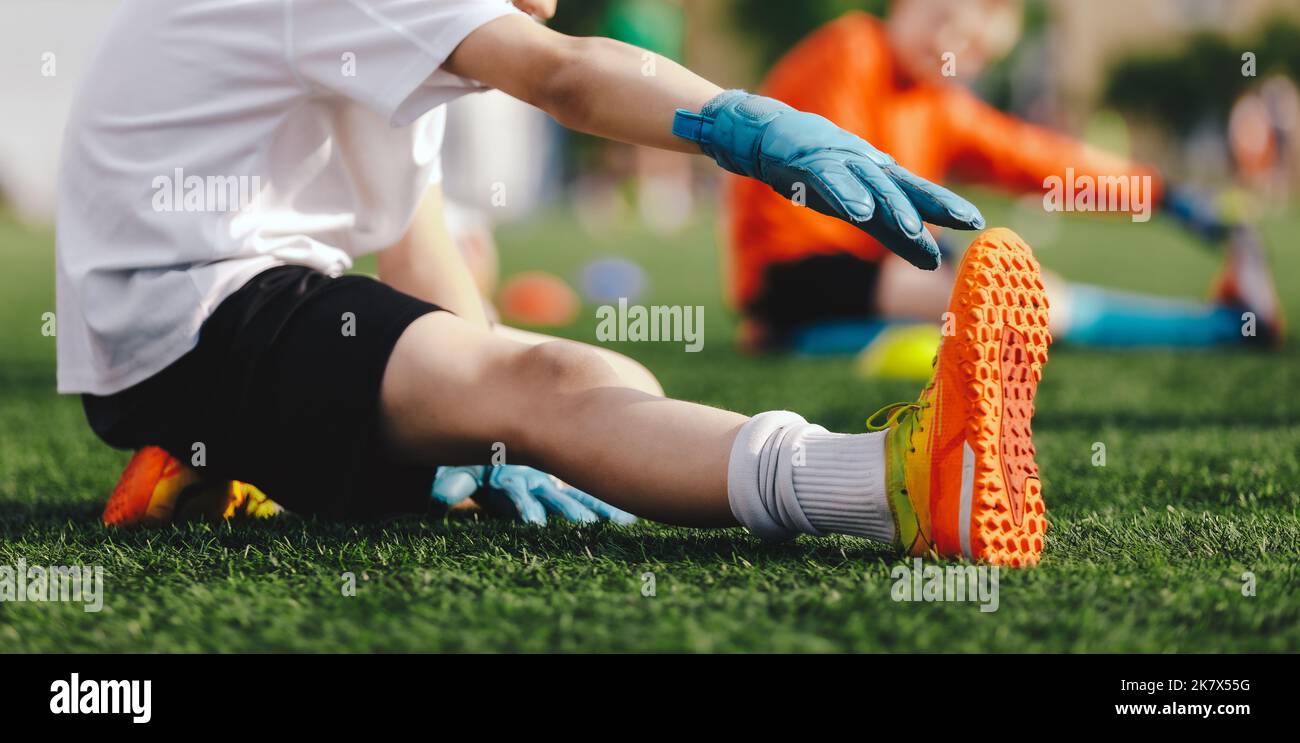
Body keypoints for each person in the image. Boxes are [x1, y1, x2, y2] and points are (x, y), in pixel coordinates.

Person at [60, 0, 1045, 565]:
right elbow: (564, 75)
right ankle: (897, 484)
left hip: (211, 326)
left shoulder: (399, 37)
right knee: (556, 389)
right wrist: (741, 123)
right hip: (191, 310)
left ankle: (209, 460)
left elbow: (416, 242)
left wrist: (490, 424)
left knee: (598, 384)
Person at [727, 0, 1283, 354]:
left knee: (1016, 310)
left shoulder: (936, 102)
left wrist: (1165, 195)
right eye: (944, 20)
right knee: (1023, 304)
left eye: (972, 50)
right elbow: (834, 179)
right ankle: (1225, 329)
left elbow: (1038, 160)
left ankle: (1224, 325)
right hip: (799, 267)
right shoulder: (854, 47)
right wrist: (938, 253)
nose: (951, 48)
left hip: (865, 273)